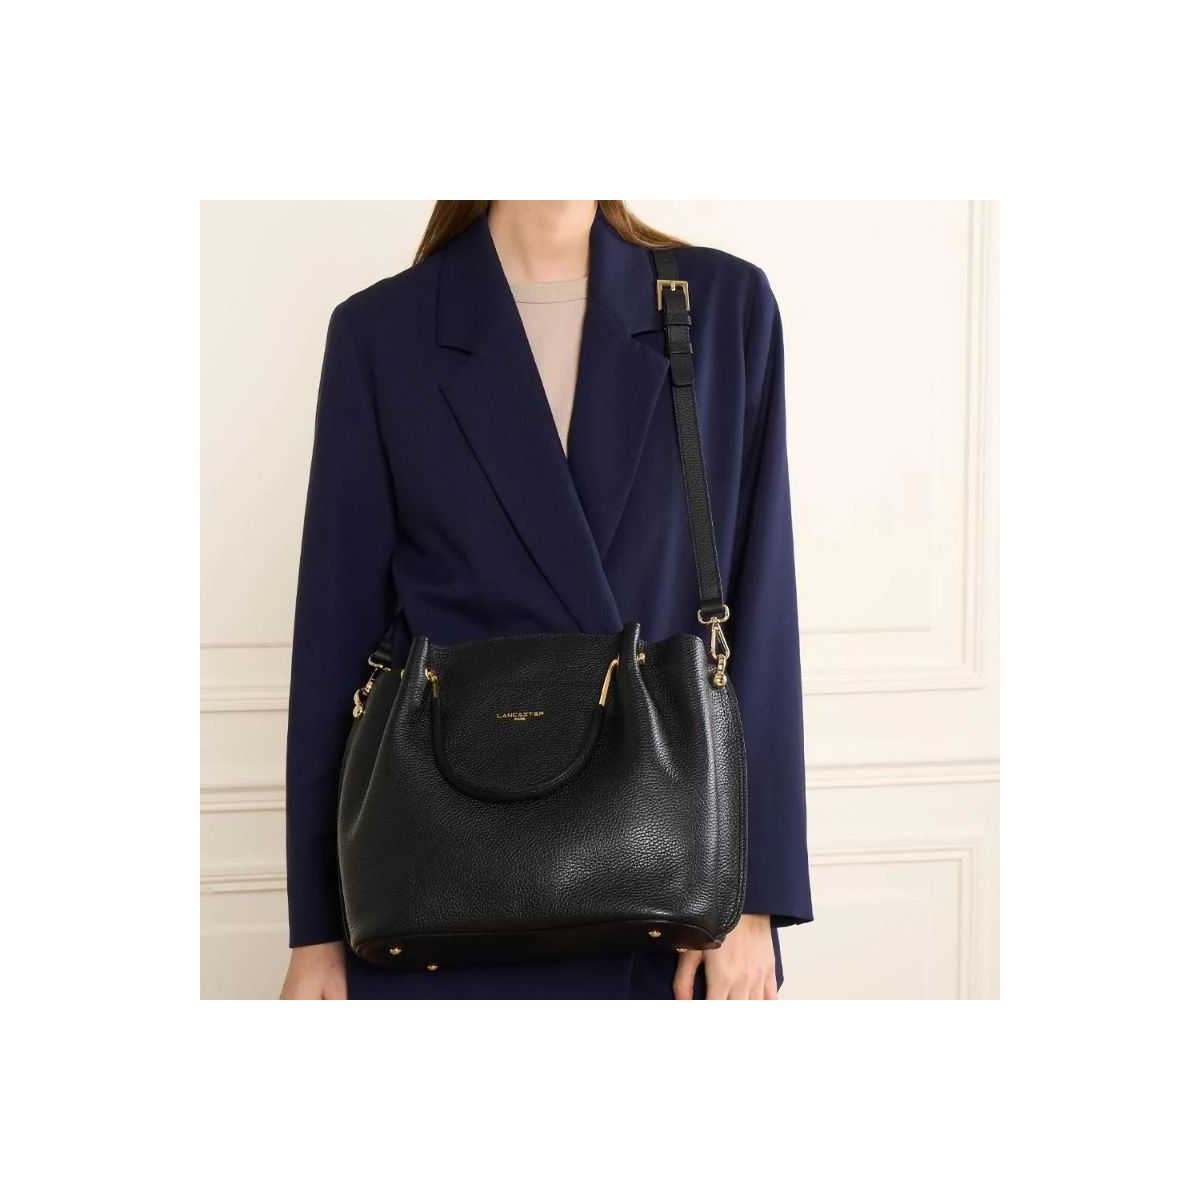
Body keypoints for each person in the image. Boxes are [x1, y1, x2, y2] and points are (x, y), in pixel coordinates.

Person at [280, 201, 812, 1000]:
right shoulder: (381, 330)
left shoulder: (720, 304)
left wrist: (751, 899)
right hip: (441, 895)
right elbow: (335, 636)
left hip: (673, 896)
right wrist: (319, 935)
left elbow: (759, 610)